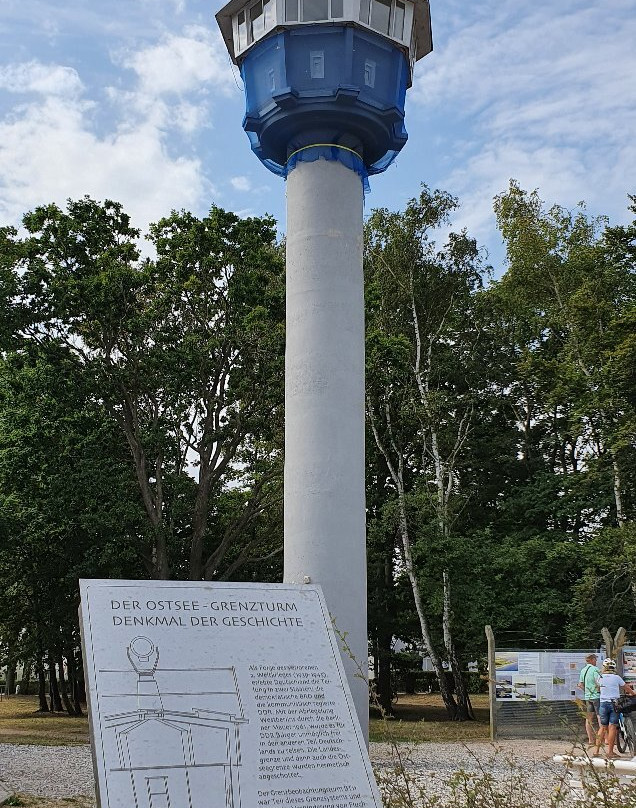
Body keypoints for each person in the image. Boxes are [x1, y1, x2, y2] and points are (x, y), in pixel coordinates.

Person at [592, 657, 636, 758]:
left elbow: (598, 688)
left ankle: (596, 751)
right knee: (612, 727)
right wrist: (633, 693)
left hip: (603, 704)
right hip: (614, 704)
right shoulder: (616, 678)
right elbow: (626, 688)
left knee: (602, 727)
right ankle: (610, 752)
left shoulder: (600, 677)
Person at [577, 653, 600, 744]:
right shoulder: (595, 669)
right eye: (595, 659)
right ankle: (603, 739)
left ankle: (591, 739)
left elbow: (580, 684)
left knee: (588, 719)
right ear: (592, 659)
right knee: (600, 717)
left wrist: (586, 691)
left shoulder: (583, 670)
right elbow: (598, 683)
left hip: (588, 697)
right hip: (596, 697)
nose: (596, 661)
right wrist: (598, 691)